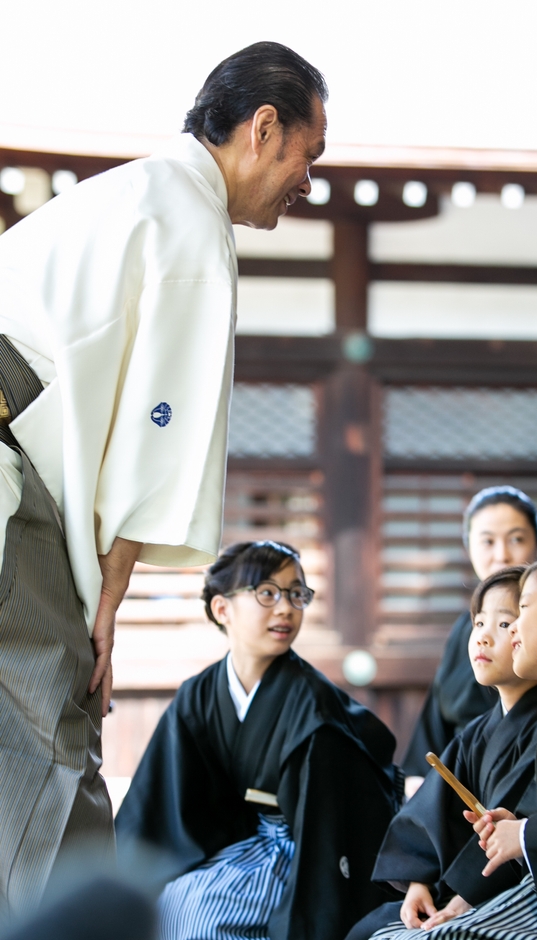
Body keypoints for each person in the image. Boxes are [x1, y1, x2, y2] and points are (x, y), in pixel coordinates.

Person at [0, 42, 327, 913]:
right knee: (54, 734)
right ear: (263, 129)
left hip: (20, 461)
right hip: (13, 486)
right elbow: (155, 441)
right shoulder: (187, 225)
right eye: (308, 157)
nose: (307, 183)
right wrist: (104, 618)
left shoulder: (125, 193)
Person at [116, 540, 401, 940]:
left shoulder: (313, 708)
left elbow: (331, 825)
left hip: (295, 849)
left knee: (201, 917)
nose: (285, 608)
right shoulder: (198, 695)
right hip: (232, 844)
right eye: (267, 593)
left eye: (296, 594)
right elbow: (160, 803)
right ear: (222, 609)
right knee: (164, 904)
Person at [368, 544, 537, 940]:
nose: (514, 629)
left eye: (520, 612)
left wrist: (525, 835)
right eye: (481, 623)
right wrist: (517, 828)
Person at [346, 566, 537, 940]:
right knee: (366, 929)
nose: (484, 638)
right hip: (457, 889)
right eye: (478, 623)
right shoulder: (476, 733)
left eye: (505, 624)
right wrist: (418, 882)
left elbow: (528, 826)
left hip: (518, 895)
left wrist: (464, 899)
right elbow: (430, 812)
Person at [403, 486, 537, 796]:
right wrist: (417, 777)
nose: (501, 554)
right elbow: (434, 724)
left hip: (521, 776)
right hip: (453, 777)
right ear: (469, 548)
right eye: (487, 541)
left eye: (516, 539)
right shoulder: (464, 630)